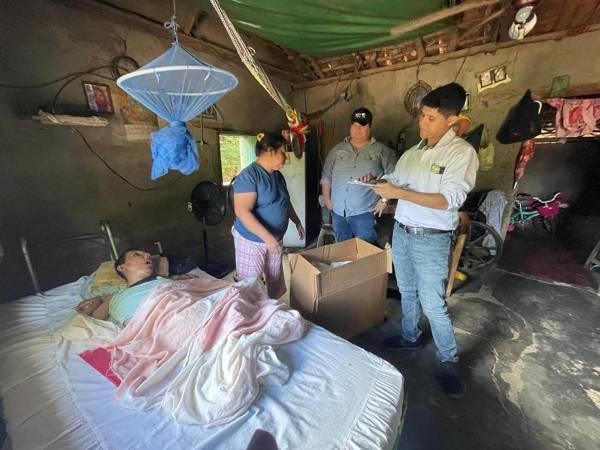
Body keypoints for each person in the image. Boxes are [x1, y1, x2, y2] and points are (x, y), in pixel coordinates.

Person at [370, 83, 478, 397]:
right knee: (407, 291)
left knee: (434, 304)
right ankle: (410, 337)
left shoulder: (461, 154)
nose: (422, 122)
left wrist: (400, 193)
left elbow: (449, 200)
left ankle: (448, 363)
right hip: (402, 233)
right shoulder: (412, 153)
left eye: (431, 118)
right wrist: (377, 183)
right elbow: (395, 180)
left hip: (431, 240)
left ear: (452, 120)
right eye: (422, 115)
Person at [232, 131, 305, 299]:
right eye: (282, 152)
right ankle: (251, 319)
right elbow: (242, 211)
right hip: (252, 240)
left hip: (274, 239)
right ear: (271, 151)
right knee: (250, 286)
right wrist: (267, 238)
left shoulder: (277, 175)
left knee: (274, 280)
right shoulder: (249, 176)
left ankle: (271, 312)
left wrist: (297, 221)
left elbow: (284, 201)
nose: (286, 157)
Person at [321, 108, 397, 244]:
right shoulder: (338, 150)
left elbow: (395, 178)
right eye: (354, 125)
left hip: (365, 214)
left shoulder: (382, 151)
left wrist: (384, 201)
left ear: (370, 127)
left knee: (366, 252)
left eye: (362, 125)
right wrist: (327, 200)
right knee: (342, 252)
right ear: (350, 127)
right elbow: (326, 176)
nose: (358, 129)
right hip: (338, 213)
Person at [76, 250, 188, 325]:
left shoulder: (167, 281)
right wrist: (98, 300)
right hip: (161, 329)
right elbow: (93, 320)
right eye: (136, 254)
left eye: (147, 254)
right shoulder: (118, 297)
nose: (148, 255)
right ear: (121, 267)